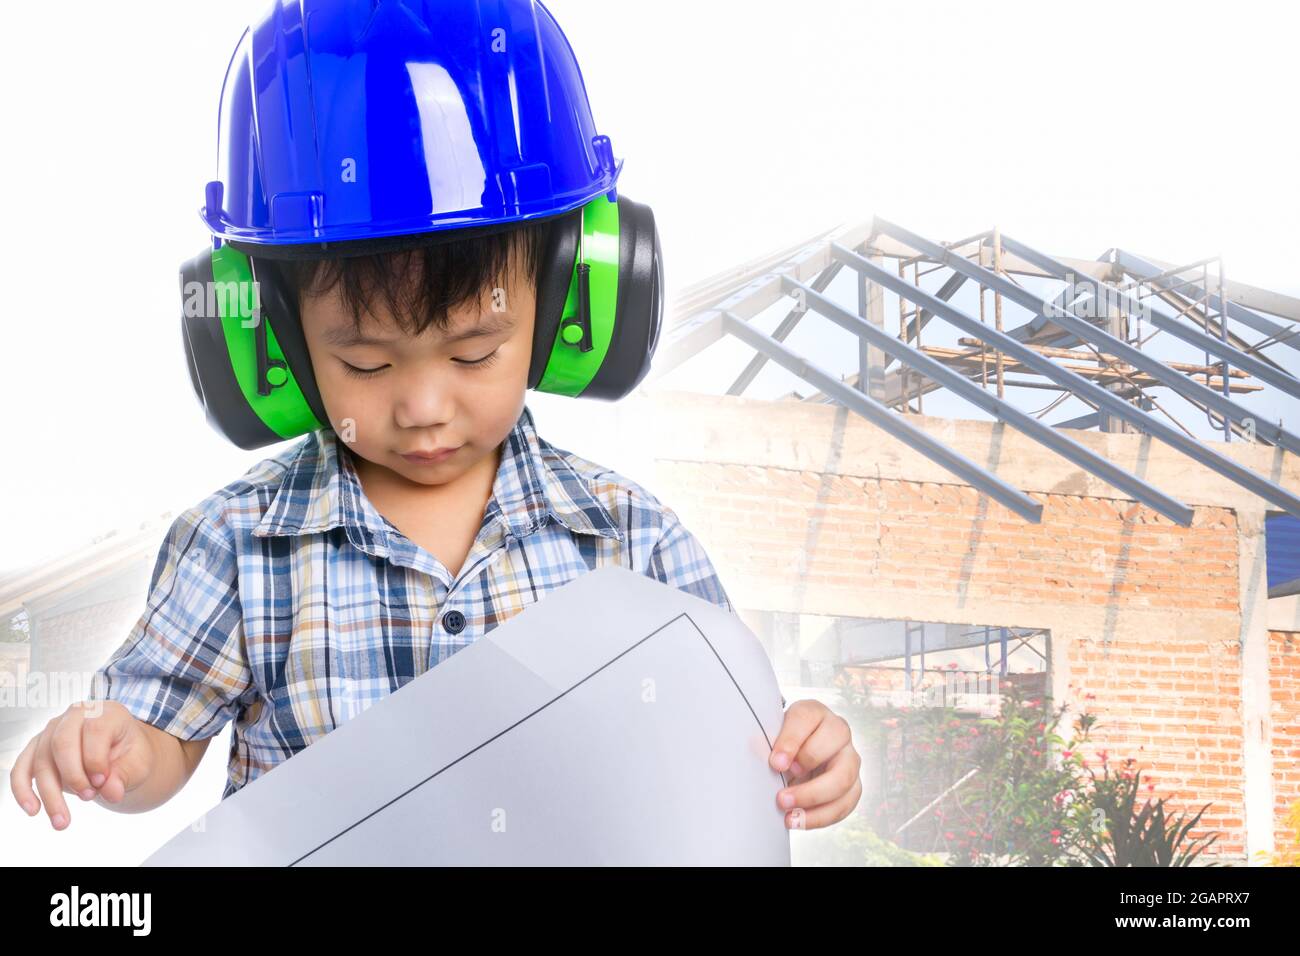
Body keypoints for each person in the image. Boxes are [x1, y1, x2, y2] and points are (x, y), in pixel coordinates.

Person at [9, 0, 861, 841]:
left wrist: (807, 748)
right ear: (269, 336)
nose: (421, 407)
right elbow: (162, 736)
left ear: (572, 302)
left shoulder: (628, 536)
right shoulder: (238, 544)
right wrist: (110, 752)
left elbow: (729, 728)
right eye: (367, 365)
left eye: (474, 354)